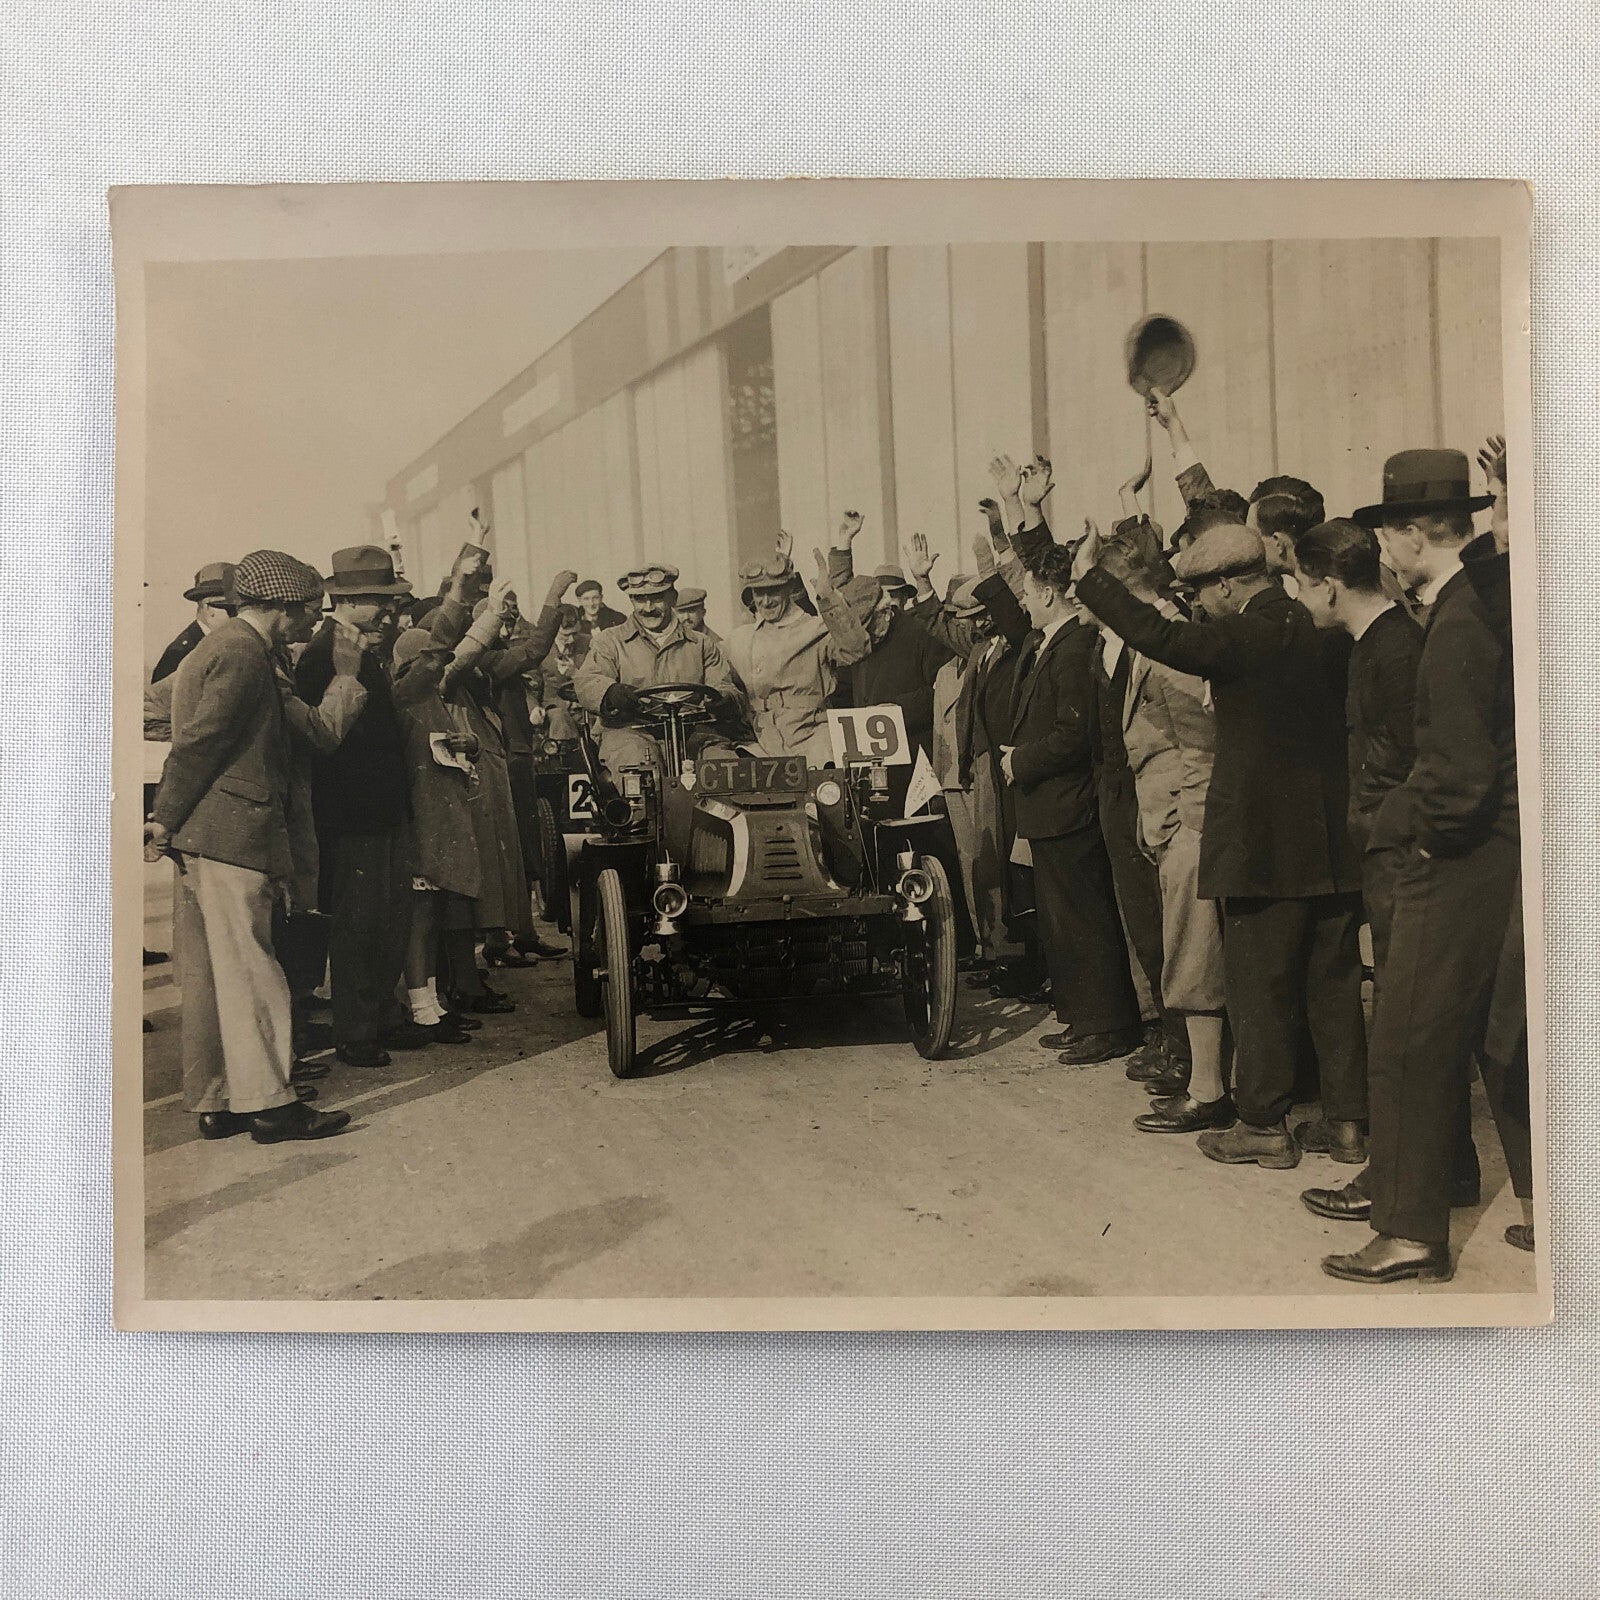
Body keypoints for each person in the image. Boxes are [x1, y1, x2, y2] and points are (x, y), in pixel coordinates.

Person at [1076, 521, 1367, 1170]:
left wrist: (1090, 578)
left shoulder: (1237, 636)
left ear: (1232, 585)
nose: (1199, 604)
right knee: (1335, 988)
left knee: (1258, 989)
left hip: (1259, 849)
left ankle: (1263, 1125)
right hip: (1332, 846)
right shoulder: (1325, 627)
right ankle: (1348, 1126)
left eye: (1203, 592)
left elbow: (1156, 634)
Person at [1323, 449, 1519, 1284]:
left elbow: (1459, 778)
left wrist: (1420, 840)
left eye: (1385, 534)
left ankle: (1409, 1233)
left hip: (1460, 852)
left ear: (1408, 536)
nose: (1382, 553)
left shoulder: (1461, 618)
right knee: (1500, 1037)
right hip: (1503, 850)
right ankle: (1543, 1209)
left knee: (1405, 1038)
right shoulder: (1486, 593)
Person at [144, 550, 353, 1145]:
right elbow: (201, 742)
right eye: (311, 609)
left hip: (212, 833)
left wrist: (173, 823)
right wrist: (163, 818)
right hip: (234, 833)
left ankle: (221, 1100)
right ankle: (271, 1106)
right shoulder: (242, 652)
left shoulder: (226, 646)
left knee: (217, 975)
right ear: (281, 607)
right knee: (254, 972)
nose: (316, 621)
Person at [1075, 520, 1232, 1134]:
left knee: (1196, 956)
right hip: (1165, 815)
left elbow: (1199, 746)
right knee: (1184, 953)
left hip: (1188, 821)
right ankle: (1204, 1077)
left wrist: (1177, 826)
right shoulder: (1149, 642)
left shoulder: (1171, 644)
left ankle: (1208, 1088)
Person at [296, 543, 478, 1069]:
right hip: (352, 817)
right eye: (379, 601)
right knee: (357, 926)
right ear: (345, 600)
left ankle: (378, 1017)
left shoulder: (363, 650)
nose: (390, 612)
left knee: (386, 921)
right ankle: (357, 1032)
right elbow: (318, 740)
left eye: (391, 601)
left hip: (380, 811)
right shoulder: (325, 655)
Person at [996, 541, 1143, 1064]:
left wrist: (1020, 762)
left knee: (1084, 920)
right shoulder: (1054, 643)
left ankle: (1108, 1025)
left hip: (1067, 804)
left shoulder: (1072, 647)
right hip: (1052, 807)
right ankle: (1085, 1019)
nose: (1025, 603)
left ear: (1048, 593)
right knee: (1064, 922)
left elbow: (1072, 735)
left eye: (1029, 593)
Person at [573, 562, 744, 784]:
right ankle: (641, 818)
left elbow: (725, 685)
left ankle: (723, 817)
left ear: (673, 597)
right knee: (636, 765)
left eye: (656, 597)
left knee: (722, 764)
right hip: (629, 730)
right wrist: (610, 692)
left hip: (693, 732)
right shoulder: (610, 642)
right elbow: (588, 681)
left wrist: (724, 699)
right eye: (639, 599)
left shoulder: (701, 644)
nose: (647, 607)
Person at [723, 534, 870, 764]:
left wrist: (828, 597)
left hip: (812, 741)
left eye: (773, 591)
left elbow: (857, 649)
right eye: (758, 593)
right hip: (758, 746)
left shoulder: (816, 629)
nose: (766, 601)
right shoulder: (738, 639)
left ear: (789, 588)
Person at [151, 562, 238, 684]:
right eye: (231, 608)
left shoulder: (222, 643)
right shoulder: (179, 654)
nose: (239, 616)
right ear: (208, 607)